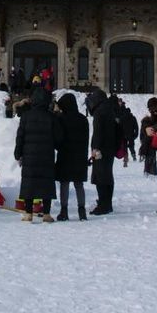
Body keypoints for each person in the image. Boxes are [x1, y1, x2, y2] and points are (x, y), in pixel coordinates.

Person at [14, 87, 62, 222]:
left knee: (29, 183)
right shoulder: (51, 117)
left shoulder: (26, 116)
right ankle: (46, 214)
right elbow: (58, 138)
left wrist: (18, 154)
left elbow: (20, 137)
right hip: (46, 155)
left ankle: (28, 213)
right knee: (46, 183)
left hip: (29, 155)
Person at [54, 92, 89, 221]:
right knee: (79, 184)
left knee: (64, 183)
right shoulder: (83, 119)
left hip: (65, 155)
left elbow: (58, 138)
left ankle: (64, 211)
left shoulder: (61, 119)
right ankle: (82, 210)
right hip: (80, 155)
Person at [87, 89, 120, 215]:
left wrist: (95, 148)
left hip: (101, 149)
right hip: (110, 148)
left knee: (100, 177)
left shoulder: (99, 112)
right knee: (107, 176)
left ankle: (103, 204)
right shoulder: (110, 109)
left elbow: (98, 133)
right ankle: (108, 203)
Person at [139, 99, 157, 176]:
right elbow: (145, 136)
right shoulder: (147, 121)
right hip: (151, 145)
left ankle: (150, 172)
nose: (152, 111)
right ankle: (150, 172)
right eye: (151, 109)